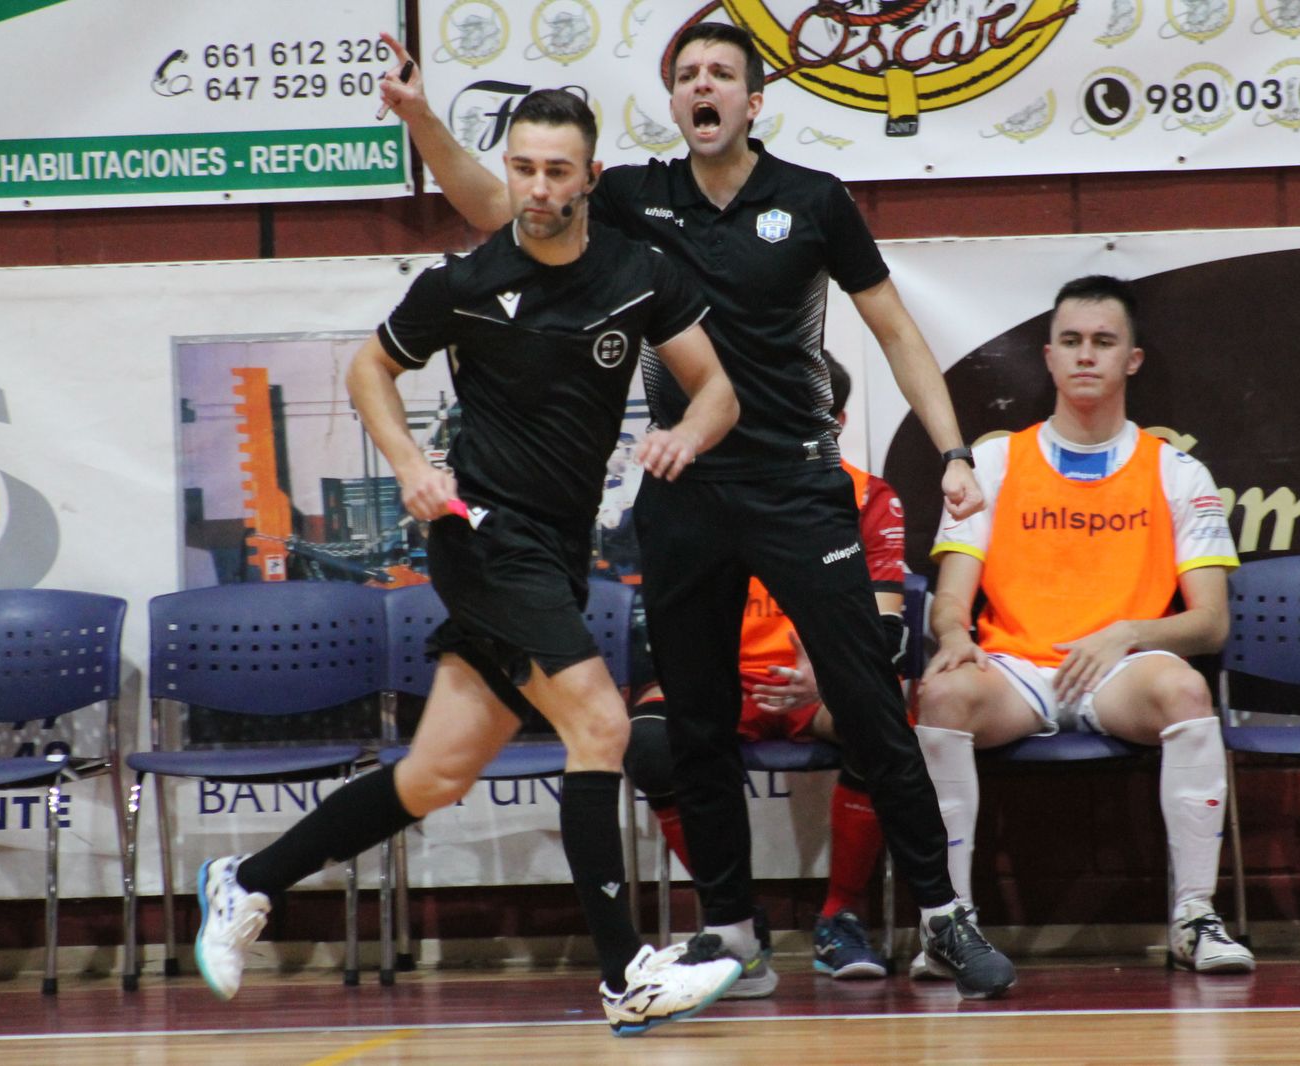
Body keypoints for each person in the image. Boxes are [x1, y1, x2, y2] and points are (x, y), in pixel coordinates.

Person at [376, 21, 1016, 1000]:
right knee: (697, 723)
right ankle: (733, 935)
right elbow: (496, 205)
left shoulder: (811, 201)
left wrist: (955, 450)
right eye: (686, 76)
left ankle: (940, 918)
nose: (703, 86)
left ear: (753, 102)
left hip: (798, 484)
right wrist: (420, 118)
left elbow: (892, 329)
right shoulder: (631, 197)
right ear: (673, 104)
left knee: (872, 707)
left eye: (722, 74)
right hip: (683, 494)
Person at [191, 89, 746, 1036]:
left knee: (437, 775)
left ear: (589, 179)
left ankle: (247, 880)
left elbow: (719, 389)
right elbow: (370, 367)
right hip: (484, 536)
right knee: (602, 728)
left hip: (555, 552)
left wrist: (687, 435)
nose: (536, 187)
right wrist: (410, 465)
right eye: (522, 167)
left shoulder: (638, 275)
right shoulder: (466, 281)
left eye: (556, 170)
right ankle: (627, 979)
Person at [915, 275, 1255, 977]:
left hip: (1118, 671)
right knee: (943, 696)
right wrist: (953, 637)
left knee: (1187, 692)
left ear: (1133, 360)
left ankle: (1194, 918)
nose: (1086, 356)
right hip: (1015, 672)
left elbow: (1210, 623)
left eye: (1104, 342)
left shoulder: (1178, 472)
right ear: (1047, 357)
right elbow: (951, 603)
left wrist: (1128, 632)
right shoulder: (994, 462)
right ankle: (949, 927)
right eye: (1071, 341)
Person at [625, 353, 901, 981]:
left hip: (815, 687)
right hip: (722, 682)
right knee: (649, 745)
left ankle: (840, 919)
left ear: (833, 422)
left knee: (880, 716)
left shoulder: (868, 496)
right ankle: (737, 924)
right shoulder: (685, 491)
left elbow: (883, 626)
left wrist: (832, 673)